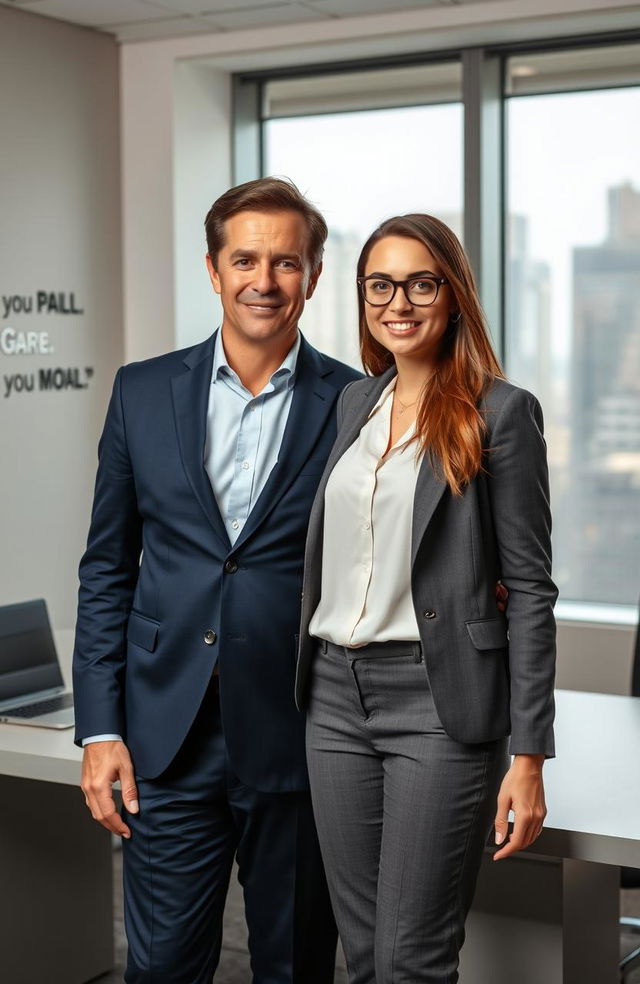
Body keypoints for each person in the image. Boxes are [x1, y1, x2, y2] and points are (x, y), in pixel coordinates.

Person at [72, 177, 362, 983]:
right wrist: (100, 730)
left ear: (313, 272)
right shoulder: (141, 391)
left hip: (304, 735)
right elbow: (106, 568)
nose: (264, 282)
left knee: (296, 966)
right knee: (162, 967)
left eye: (286, 262)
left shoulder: (357, 404)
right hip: (166, 738)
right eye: (245, 260)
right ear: (213, 269)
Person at [295, 213, 557, 984]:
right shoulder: (355, 404)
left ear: (453, 294)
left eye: (420, 282)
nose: (398, 301)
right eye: (380, 283)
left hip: (438, 703)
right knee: (367, 949)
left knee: (414, 957)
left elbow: (533, 589)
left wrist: (530, 753)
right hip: (333, 699)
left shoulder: (500, 412)